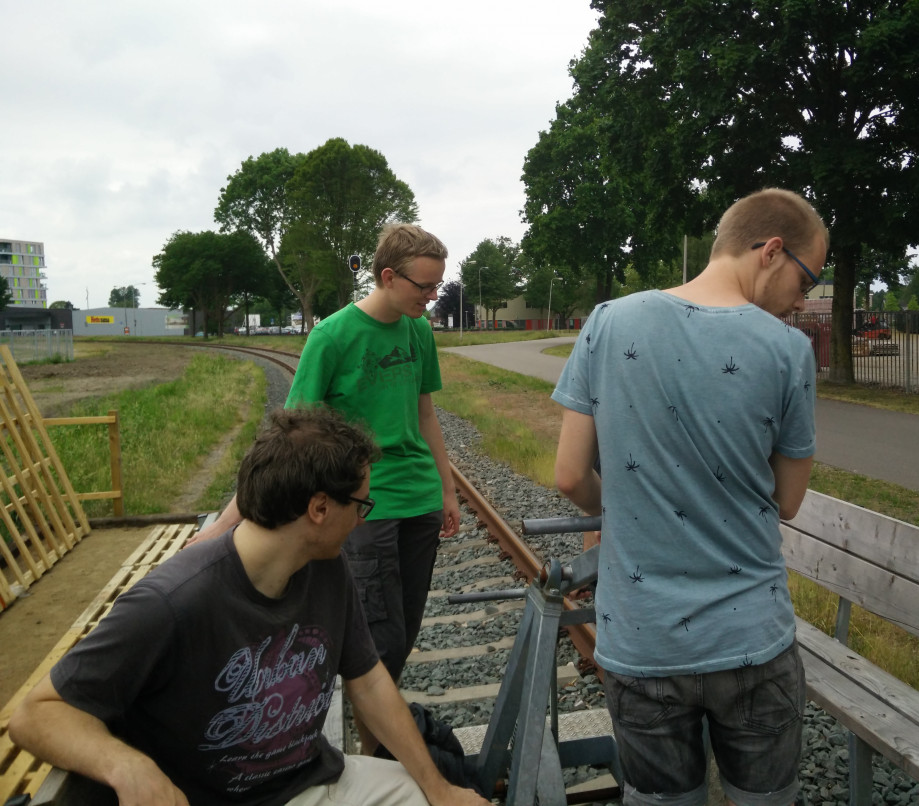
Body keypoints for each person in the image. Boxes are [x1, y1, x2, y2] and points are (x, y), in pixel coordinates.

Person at [9, 406, 489, 806]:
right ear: (319, 509)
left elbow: (368, 682)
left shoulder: (326, 568)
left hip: (309, 782)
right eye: (361, 505)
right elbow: (35, 715)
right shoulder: (173, 600)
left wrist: (440, 789)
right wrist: (124, 764)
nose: (364, 520)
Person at [552, 188, 827, 806]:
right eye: (807, 277)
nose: (803, 297)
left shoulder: (609, 321)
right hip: (752, 643)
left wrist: (620, 503)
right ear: (771, 251)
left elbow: (570, 476)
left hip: (643, 643)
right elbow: (787, 502)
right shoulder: (787, 351)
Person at [192, 224, 460, 751]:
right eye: (423, 288)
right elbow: (288, 438)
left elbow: (426, 412)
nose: (431, 299)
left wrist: (447, 490)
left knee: (402, 634)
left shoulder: (418, 332)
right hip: (364, 508)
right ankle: (380, 754)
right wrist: (226, 524)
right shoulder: (332, 337)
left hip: (419, 500)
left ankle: (380, 745)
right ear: (387, 276)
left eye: (436, 287)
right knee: (379, 641)